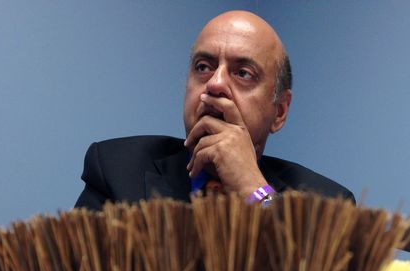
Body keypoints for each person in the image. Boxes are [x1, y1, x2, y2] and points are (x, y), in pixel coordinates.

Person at [75, 10, 354, 209]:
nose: (215, 84)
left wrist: (253, 190)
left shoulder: (328, 203)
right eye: (203, 67)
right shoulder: (118, 170)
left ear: (279, 112)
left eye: (243, 73)